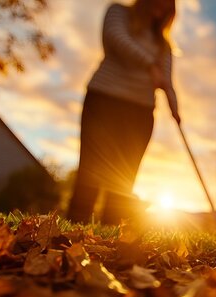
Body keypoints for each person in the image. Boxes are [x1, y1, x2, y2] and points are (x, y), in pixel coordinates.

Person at [67, 0, 181, 225]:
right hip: (104, 101)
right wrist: (149, 65)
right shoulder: (118, 13)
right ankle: (71, 235)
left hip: (141, 112)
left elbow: (167, 81)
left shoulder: (163, 45)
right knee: (91, 171)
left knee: (123, 179)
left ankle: (110, 238)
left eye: (166, 8)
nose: (160, 9)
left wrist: (175, 108)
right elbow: (116, 39)